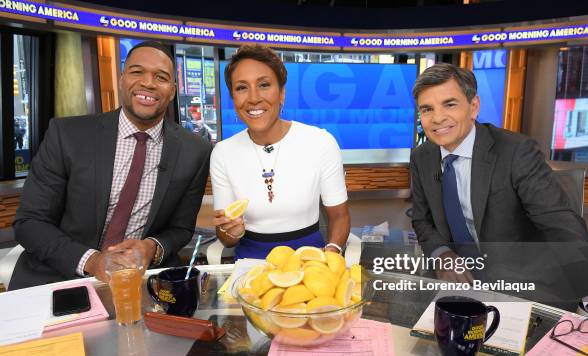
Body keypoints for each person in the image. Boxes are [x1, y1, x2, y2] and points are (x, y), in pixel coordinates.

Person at [409, 63, 588, 321]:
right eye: (427, 109)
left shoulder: (516, 151)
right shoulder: (422, 156)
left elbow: (561, 224)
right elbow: (421, 218)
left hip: (523, 285)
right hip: (459, 284)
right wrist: (442, 254)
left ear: (474, 106)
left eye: (450, 104)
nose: (437, 118)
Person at [10, 41, 212, 290]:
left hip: (139, 281)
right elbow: (30, 222)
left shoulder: (195, 151)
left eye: (161, 77)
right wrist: (93, 261)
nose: (148, 83)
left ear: (171, 91)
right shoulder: (67, 135)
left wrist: (152, 247)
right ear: (122, 79)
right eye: (137, 72)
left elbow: (180, 229)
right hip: (56, 276)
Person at [211, 45, 349, 259]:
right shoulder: (222, 153)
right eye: (241, 88)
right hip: (250, 263)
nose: (254, 98)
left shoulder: (321, 142)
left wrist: (331, 252)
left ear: (282, 92)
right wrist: (231, 231)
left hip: (309, 258)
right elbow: (226, 239)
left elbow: (339, 217)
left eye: (264, 85)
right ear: (233, 98)